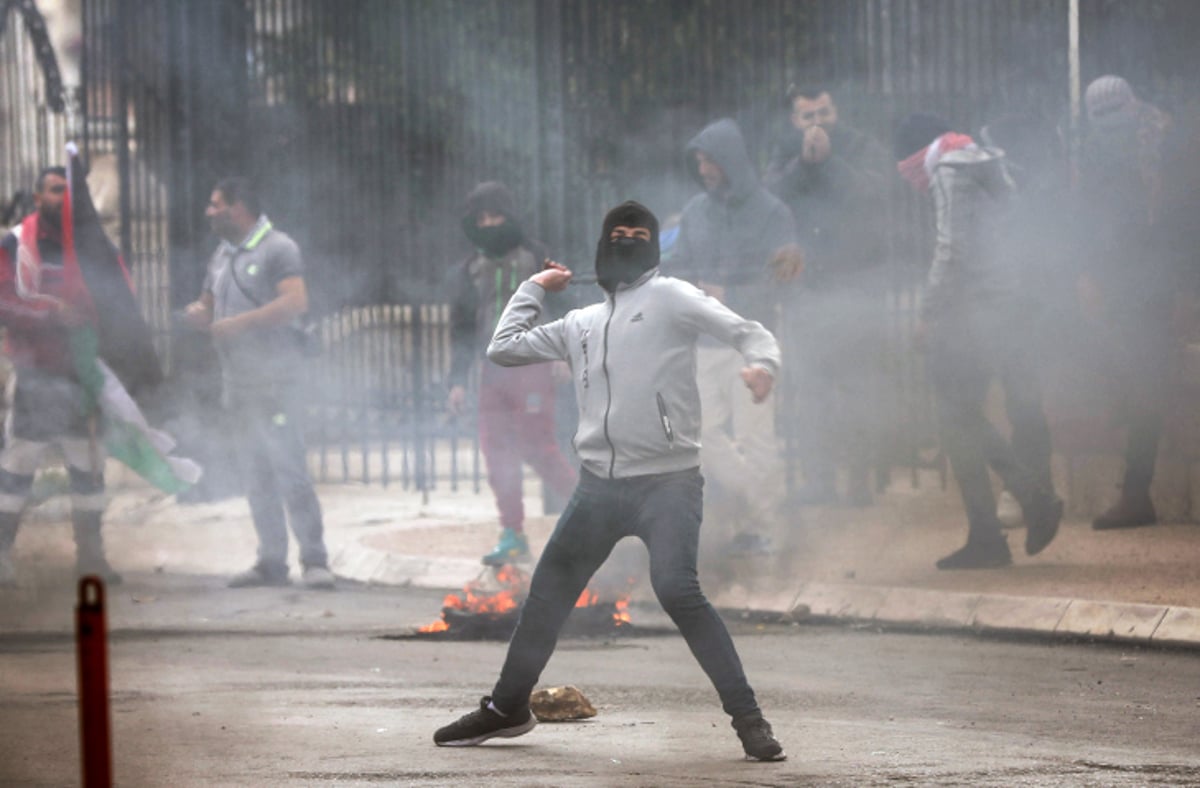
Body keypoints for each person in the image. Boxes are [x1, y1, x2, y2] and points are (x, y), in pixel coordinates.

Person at [433, 201, 786, 762]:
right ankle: (506, 709)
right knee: (546, 595)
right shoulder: (581, 323)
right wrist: (534, 285)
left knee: (678, 591)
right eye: (616, 233)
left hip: (667, 484)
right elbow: (502, 348)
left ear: (651, 247)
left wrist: (762, 366)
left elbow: (748, 331)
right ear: (601, 245)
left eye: (636, 234)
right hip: (598, 486)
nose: (625, 240)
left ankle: (750, 722)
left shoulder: (671, 296)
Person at [893, 114, 1063, 570]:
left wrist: (927, 313)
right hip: (1006, 308)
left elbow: (952, 248)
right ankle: (1005, 521)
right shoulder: (988, 163)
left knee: (955, 413)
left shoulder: (950, 171)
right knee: (959, 415)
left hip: (974, 312)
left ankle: (1016, 512)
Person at [181, 177, 334, 589]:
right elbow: (209, 303)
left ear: (239, 207)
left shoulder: (278, 248)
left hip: (277, 382)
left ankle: (315, 560)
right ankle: (271, 561)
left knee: (289, 470)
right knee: (255, 474)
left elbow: (294, 302)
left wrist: (237, 325)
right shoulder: (221, 255)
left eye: (216, 204)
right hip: (240, 384)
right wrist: (199, 312)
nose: (210, 211)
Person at [671, 118, 803, 554]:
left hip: (751, 345)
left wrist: (731, 294)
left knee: (755, 437)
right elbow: (680, 265)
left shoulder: (773, 213)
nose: (704, 168)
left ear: (729, 159)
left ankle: (760, 527)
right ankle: (759, 501)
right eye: (699, 161)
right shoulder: (694, 213)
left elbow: (785, 278)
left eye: (710, 159)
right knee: (701, 438)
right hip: (704, 344)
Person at [765, 86, 892, 505]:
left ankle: (859, 480)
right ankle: (819, 480)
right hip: (807, 294)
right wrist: (804, 163)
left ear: (837, 111)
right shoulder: (785, 154)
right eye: (808, 116)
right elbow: (769, 202)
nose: (817, 122)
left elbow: (874, 196)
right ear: (794, 123)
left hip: (857, 288)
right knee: (810, 390)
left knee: (858, 389)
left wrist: (831, 161)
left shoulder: (861, 147)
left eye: (824, 112)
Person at [447, 181, 577, 566]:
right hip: (492, 370)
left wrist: (566, 355)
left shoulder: (537, 257)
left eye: (495, 215)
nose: (489, 224)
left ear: (510, 215)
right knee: (496, 450)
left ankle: (591, 516)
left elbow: (566, 305)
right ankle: (512, 533)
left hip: (534, 364)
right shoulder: (469, 268)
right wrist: (456, 381)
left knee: (539, 447)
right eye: (481, 218)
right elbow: (462, 327)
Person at [0, 167, 118, 585]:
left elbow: (114, 296)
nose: (61, 198)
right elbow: (4, 305)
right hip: (35, 374)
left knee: (88, 468)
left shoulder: (89, 246)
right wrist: (52, 313)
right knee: (17, 468)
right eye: (54, 191)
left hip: (79, 375)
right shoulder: (15, 244)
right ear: (36, 197)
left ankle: (90, 556)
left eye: (67, 192)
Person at [1076, 76, 1180, 530]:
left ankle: (1137, 494)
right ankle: (1136, 492)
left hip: (1159, 281)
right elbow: (1098, 216)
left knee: (1145, 386)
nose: (1107, 128)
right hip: (1124, 279)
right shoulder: (1104, 149)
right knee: (1121, 368)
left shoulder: (1167, 145)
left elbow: (1177, 219)